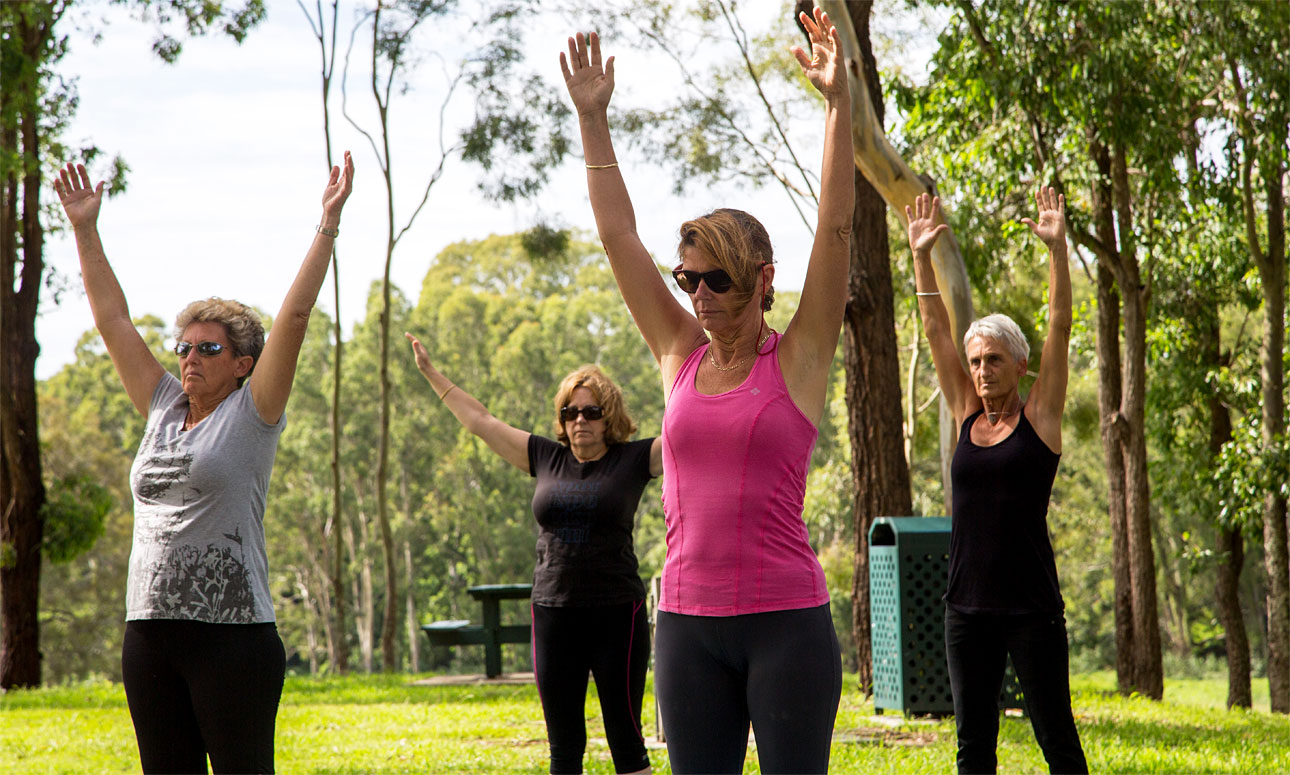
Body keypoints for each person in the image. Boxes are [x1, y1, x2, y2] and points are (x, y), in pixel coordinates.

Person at [559, 7, 852, 773]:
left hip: (787, 623)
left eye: (716, 279)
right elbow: (619, 237)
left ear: (762, 278)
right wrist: (593, 120)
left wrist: (838, 106)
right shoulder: (679, 352)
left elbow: (835, 228)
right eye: (689, 278)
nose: (698, 294)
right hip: (687, 625)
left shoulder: (799, 359)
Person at [54, 152, 354, 774]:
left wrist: (327, 224)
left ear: (243, 363)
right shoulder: (163, 405)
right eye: (184, 347)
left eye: (208, 349)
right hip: (149, 632)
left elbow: (296, 318)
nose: (190, 358)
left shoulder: (252, 413)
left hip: (232, 637)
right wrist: (85, 229)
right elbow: (112, 321)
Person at [404, 339, 661, 775]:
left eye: (591, 411)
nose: (579, 420)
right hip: (554, 613)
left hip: (618, 614)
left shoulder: (633, 459)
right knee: (564, 747)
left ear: (610, 417)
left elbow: (688, 433)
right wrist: (431, 373)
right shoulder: (544, 457)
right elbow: (481, 421)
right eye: (570, 412)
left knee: (626, 739)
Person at [904, 188, 1088, 774]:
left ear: (1020, 366)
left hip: (1031, 609)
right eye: (977, 361)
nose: (982, 370)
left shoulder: (1040, 418)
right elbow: (936, 331)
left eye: (994, 360)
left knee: (1057, 741)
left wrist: (1057, 251)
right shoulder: (967, 413)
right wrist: (920, 257)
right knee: (973, 747)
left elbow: (1060, 325)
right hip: (966, 609)